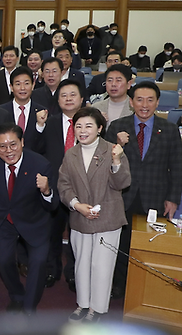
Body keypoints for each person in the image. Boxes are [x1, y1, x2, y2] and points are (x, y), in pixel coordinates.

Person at [104, 81, 182, 299]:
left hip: (156, 197)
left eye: (150, 100)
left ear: (157, 102)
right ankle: (119, 284)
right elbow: (105, 164)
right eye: (139, 99)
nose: (144, 105)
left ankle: (145, 289)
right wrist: (117, 145)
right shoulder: (118, 127)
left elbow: (177, 166)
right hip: (123, 196)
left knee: (150, 244)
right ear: (131, 102)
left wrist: (173, 198)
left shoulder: (170, 129)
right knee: (121, 243)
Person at [0, 123, 58, 314]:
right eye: (2, 146)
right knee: (3, 261)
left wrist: (46, 190)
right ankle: (17, 295)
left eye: (13, 144)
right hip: (4, 219)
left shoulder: (40, 164)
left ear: (22, 142)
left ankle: (29, 308)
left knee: (37, 264)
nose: (8, 151)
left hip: (34, 220)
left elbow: (52, 205)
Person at [58, 107, 130, 323]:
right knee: (81, 263)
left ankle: (97, 309)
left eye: (88, 125)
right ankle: (83, 304)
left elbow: (122, 184)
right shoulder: (71, 153)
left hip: (107, 218)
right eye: (78, 126)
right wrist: (76, 204)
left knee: (102, 265)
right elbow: (64, 184)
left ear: (99, 128)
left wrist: (117, 162)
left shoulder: (113, 150)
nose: (82, 130)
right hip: (80, 216)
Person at [37, 79, 85, 291]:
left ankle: (75, 274)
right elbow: (38, 150)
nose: (68, 99)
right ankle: (51, 270)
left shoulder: (91, 122)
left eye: (72, 95)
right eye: (64, 95)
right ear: (58, 99)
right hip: (55, 187)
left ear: (81, 99)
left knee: (78, 235)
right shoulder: (50, 122)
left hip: (83, 189)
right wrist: (38, 127)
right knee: (52, 233)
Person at [0, 67, 47, 151]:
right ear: (11, 87)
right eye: (18, 84)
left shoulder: (42, 112)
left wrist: (40, 126)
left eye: (26, 83)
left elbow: (45, 144)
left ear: (33, 85)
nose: (22, 88)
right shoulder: (0, 111)